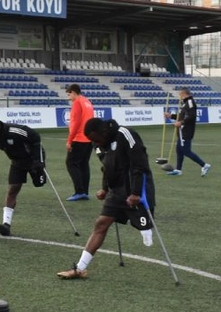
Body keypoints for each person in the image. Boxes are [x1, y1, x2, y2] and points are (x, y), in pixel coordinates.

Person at [57, 118, 156, 279]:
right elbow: (107, 167)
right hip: (116, 190)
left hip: (134, 187)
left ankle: (146, 228)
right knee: (101, 224)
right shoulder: (98, 144)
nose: (95, 143)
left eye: (96, 140)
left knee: (145, 227)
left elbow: (140, 164)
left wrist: (136, 193)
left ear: (104, 132)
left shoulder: (126, 134)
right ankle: (80, 268)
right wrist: (104, 188)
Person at [0, 115, 46, 237]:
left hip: (32, 158)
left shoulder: (14, 131)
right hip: (17, 162)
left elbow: (36, 137)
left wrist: (38, 160)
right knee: (13, 189)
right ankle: (6, 225)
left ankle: (39, 173)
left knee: (39, 183)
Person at [164, 87, 211, 177]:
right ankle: (178, 170)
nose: (179, 96)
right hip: (182, 130)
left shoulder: (190, 102)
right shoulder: (185, 103)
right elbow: (181, 116)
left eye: (180, 94)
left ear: (184, 94)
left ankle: (204, 165)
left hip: (186, 130)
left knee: (186, 151)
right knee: (179, 150)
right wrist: (170, 116)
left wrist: (181, 123)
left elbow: (191, 116)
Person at [65, 84, 95, 201]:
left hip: (79, 138)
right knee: (83, 164)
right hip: (88, 138)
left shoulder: (77, 103)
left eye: (69, 94)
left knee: (71, 163)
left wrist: (69, 140)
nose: (69, 97)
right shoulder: (87, 102)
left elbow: (76, 122)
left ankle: (79, 191)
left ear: (74, 92)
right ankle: (84, 192)